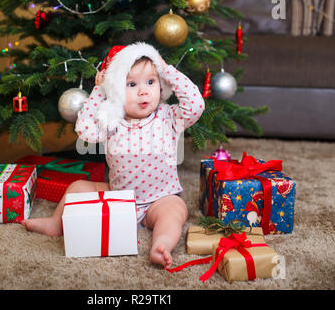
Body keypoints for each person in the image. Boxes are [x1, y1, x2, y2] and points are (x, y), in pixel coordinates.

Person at [22, 42, 205, 269]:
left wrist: (167, 70)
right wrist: (99, 91)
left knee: (176, 210)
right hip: (118, 196)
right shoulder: (112, 120)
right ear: (116, 91)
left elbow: (196, 105)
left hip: (158, 199)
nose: (143, 91)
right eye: (131, 84)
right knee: (78, 187)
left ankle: (161, 244)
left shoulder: (168, 116)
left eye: (151, 81)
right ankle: (55, 223)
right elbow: (85, 130)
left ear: (161, 84)